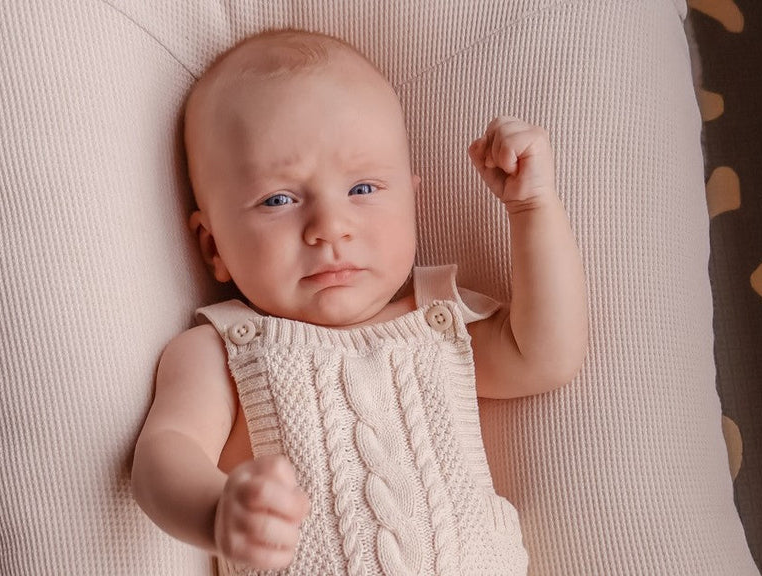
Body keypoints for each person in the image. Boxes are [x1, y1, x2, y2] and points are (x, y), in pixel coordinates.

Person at [131, 28, 588, 575]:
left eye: (363, 189)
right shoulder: (221, 350)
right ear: (214, 246)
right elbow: (163, 454)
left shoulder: (438, 323)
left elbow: (546, 354)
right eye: (279, 199)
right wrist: (215, 511)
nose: (331, 227)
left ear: (413, 204)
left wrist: (532, 209)